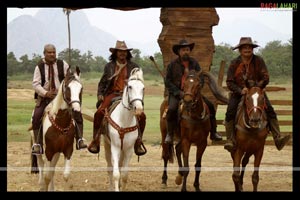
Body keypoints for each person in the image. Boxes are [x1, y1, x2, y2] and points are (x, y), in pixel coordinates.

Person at [224, 37, 291, 152]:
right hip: (239, 92)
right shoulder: (234, 63)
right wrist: (241, 90)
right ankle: (230, 140)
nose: (247, 50)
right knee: (230, 111)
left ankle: (277, 137)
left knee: (270, 110)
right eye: (244, 48)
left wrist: (259, 87)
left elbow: (266, 77)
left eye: (249, 47)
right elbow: (229, 82)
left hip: (257, 92)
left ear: (252, 49)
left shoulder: (259, 60)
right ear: (240, 50)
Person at [87, 40, 147, 156]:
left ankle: (138, 141)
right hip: (113, 94)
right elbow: (102, 83)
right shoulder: (109, 66)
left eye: (124, 52)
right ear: (115, 53)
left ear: (127, 53)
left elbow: (139, 83)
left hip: (130, 96)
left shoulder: (134, 67)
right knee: (99, 113)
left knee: (142, 116)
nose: (122, 53)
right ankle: (96, 140)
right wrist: (100, 95)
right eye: (120, 51)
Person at [31, 44, 87, 154]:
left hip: (62, 99)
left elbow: (70, 78)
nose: (52, 54)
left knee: (77, 114)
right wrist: (46, 93)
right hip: (45, 98)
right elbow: (36, 84)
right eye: (49, 52)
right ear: (44, 53)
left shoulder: (63, 64)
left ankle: (80, 139)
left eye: (53, 52)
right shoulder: (39, 67)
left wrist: (72, 76)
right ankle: (38, 144)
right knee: (37, 116)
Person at [164, 39, 223, 144]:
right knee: (172, 109)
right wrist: (178, 92)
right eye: (183, 50)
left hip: (193, 93)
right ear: (179, 52)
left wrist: (196, 89)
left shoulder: (194, 63)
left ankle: (213, 132)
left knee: (210, 106)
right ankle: (170, 134)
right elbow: (168, 82)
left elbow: (200, 78)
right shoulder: (172, 64)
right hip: (177, 93)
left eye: (187, 49)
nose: (185, 52)